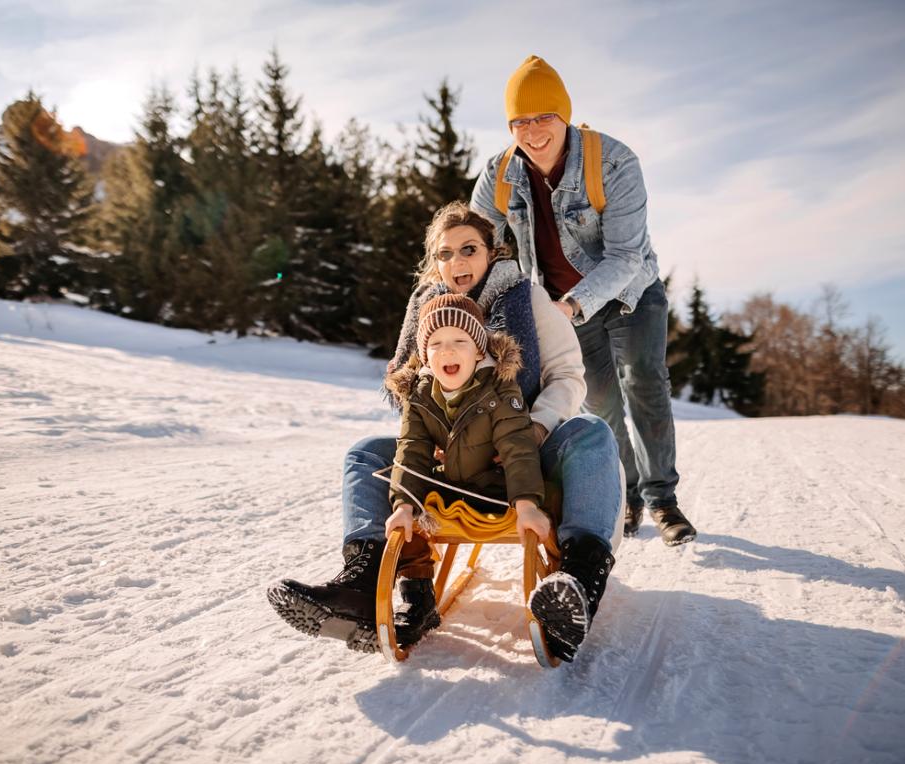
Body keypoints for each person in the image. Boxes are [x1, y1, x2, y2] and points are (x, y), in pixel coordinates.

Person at [268, 202, 624, 662]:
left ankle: (576, 582)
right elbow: (413, 398)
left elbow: (569, 376)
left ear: (493, 253)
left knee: (591, 431)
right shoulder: (426, 310)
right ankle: (363, 580)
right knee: (366, 454)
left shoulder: (526, 298)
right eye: (444, 254)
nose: (456, 263)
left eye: (468, 250)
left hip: (526, 442)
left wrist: (536, 427)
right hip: (451, 451)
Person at [470, 54, 696, 546]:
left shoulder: (613, 162)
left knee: (644, 385)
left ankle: (663, 499)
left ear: (564, 115)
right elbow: (477, 241)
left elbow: (626, 256)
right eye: (520, 121)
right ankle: (629, 495)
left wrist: (570, 306)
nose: (533, 132)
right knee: (600, 403)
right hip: (560, 304)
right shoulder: (501, 174)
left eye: (543, 117)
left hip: (630, 293)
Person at [383, 292, 552, 647]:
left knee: (555, 498)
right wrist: (403, 505)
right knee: (400, 499)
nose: (447, 350)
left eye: (459, 340)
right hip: (450, 488)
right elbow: (412, 450)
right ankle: (416, 590)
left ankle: (560, 586)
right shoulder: (420, 395)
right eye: (436, 343)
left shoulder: (500, 388)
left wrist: (526, 504)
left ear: (478, 349)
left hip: (497, 490)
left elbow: (517, 447)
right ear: (425, 354)